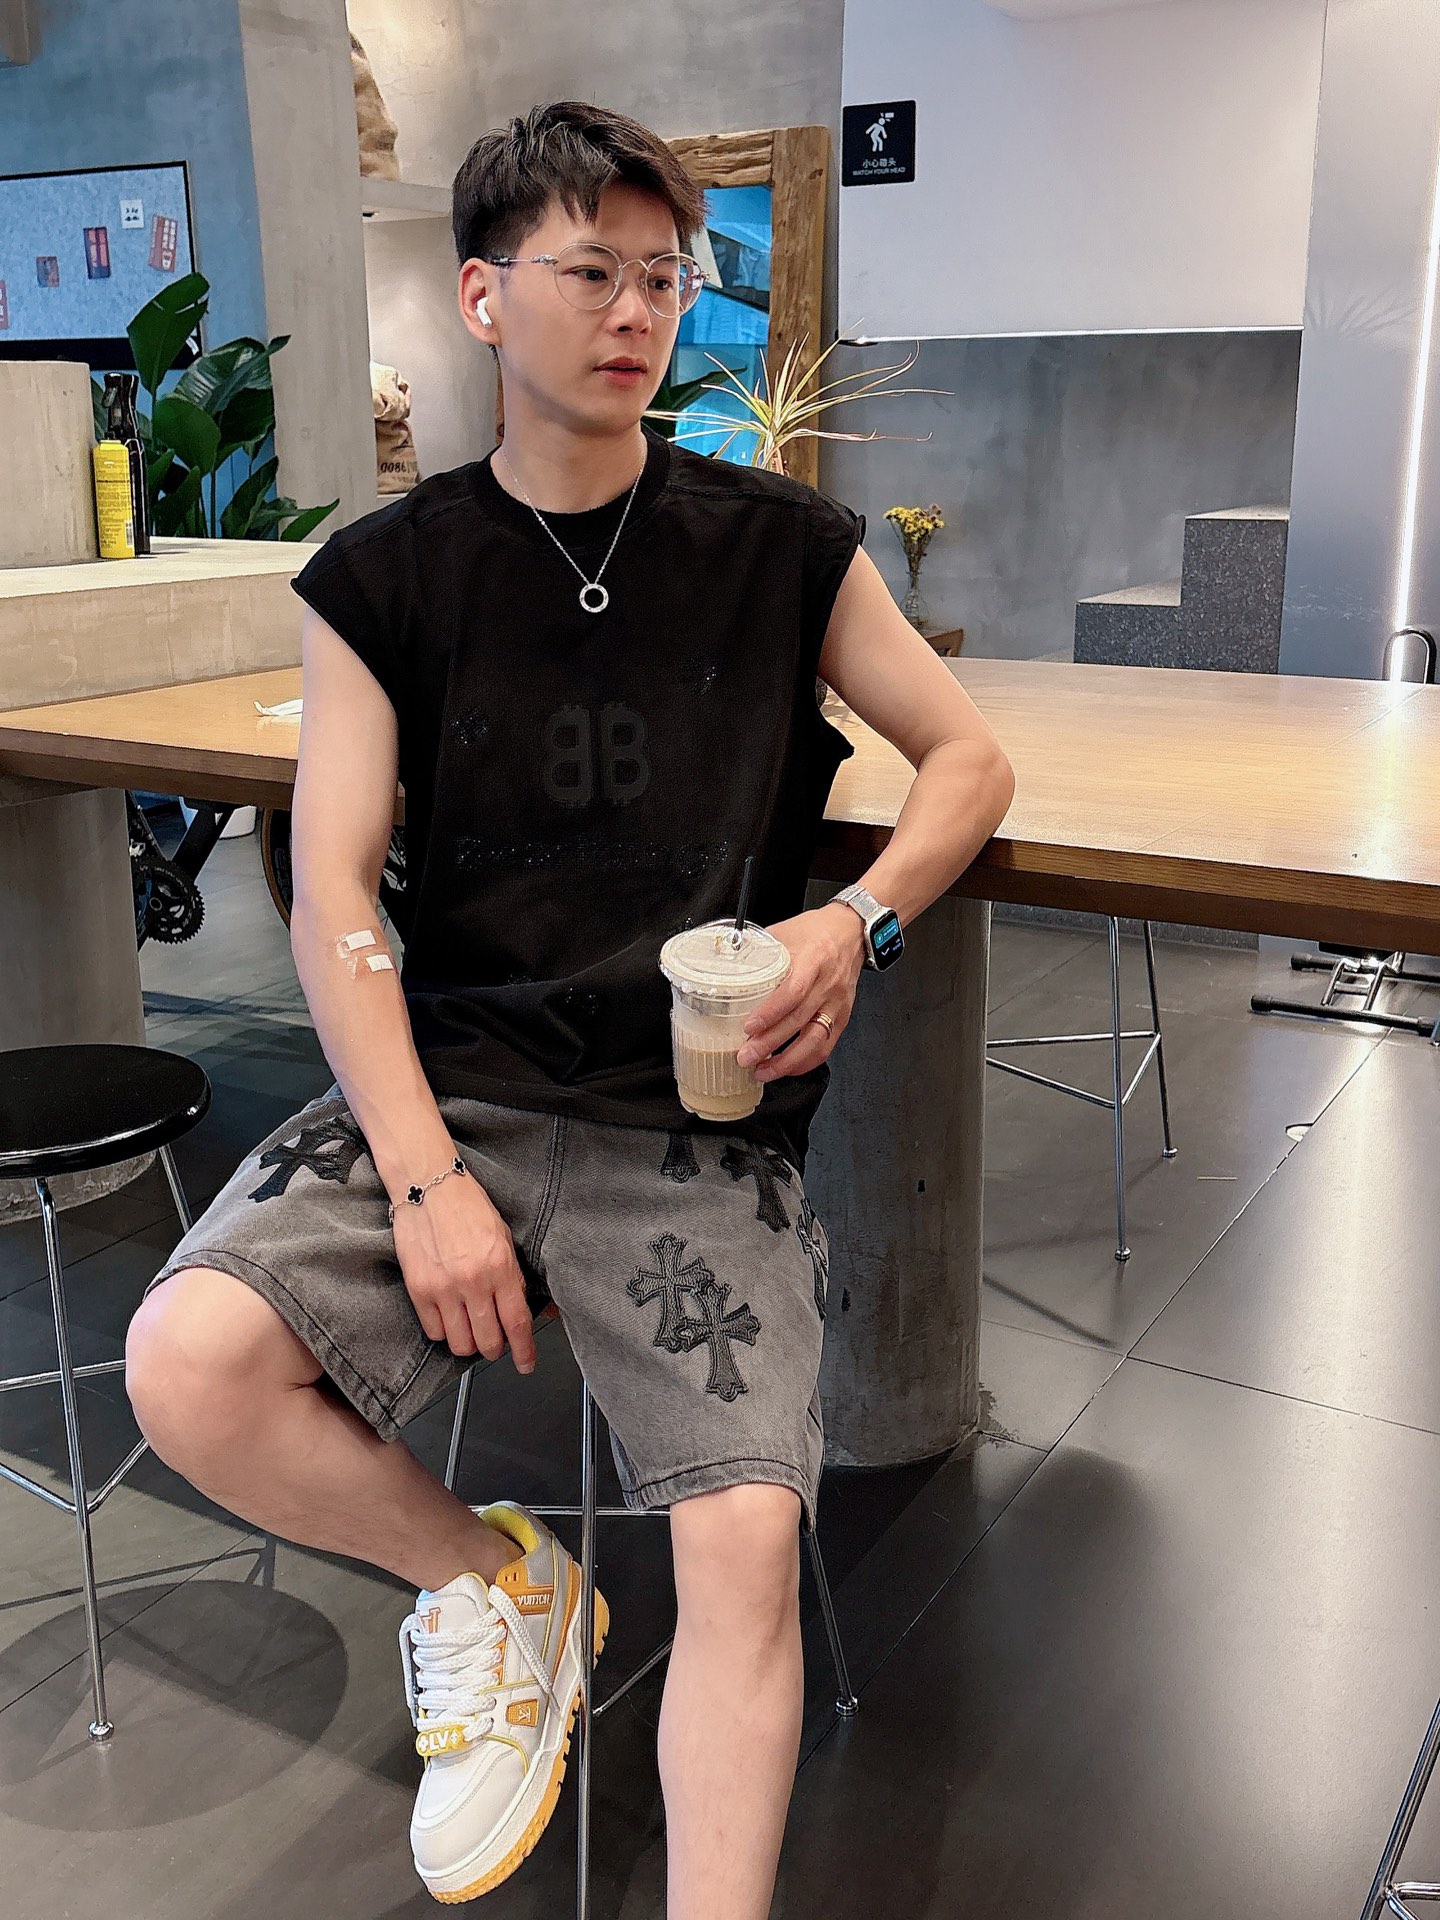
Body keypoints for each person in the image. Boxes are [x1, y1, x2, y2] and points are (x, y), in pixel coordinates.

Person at [124, 100, 1014, 1915]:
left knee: (747, 1533)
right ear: (481, 296)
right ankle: (496, 1584)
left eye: (664, 278)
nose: (636, 312)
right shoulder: (385, 577)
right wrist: (421, 1174)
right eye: (591, 270)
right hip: (454, 1085)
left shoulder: (781, 545)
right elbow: (336, 894)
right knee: (184, 1365)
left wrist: (855, 923)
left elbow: (970, 761)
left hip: (691, 1125)